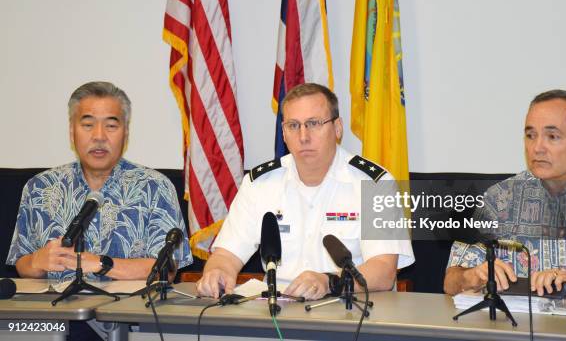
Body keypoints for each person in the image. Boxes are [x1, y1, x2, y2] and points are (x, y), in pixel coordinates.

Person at [196, 83, 414, 299]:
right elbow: (226, 254)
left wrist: (329, 281)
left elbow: (384, 270)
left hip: (348, 310)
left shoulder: (375, 183)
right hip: (276, 314)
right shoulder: (260, 184)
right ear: (283, 133)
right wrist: (217, 272)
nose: (303, 136)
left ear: (337, 128)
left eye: (314, 123)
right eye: (293, 126)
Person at [7, 81, 192, 281]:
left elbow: (167, 269)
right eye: (88, 125)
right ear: (72, 132)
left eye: (111, 125)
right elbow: (21, 261)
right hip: (57, 310)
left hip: (129, 310)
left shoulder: (155, 187)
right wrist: (36, 262)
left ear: (126, 133)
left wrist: (98, 263)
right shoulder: (40, 187)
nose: (99, 136)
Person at [444, 89, 566, 302]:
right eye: (530, 135)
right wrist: (473, 275)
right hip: (517, 331)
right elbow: (450, 282)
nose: (537, 148)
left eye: (552, 136)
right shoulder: (500, 198)